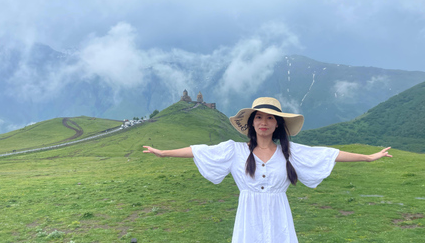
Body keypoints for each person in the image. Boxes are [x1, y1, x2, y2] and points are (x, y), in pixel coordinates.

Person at [143, 97, 392, 243]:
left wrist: (368, 158)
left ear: (278, 124)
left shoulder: (289, 153)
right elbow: (199, 150)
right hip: (247, 216)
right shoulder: (235, 151)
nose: (264, 122)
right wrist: (164, 153)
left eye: (270, 118)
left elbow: (329, 154)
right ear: (252, 122)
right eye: (259, 117)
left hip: (278, 215)